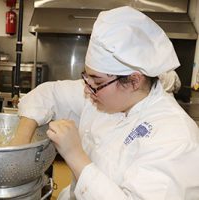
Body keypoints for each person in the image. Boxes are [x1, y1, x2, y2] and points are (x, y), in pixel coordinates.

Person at [11, 6, 199, 200]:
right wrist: (18, 147)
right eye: (87, 77)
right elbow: (48, 94)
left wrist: (75, 155)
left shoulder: (176, 138)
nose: (86, 89)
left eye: (97, 81)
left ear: (134, 81)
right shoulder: (103, 97)